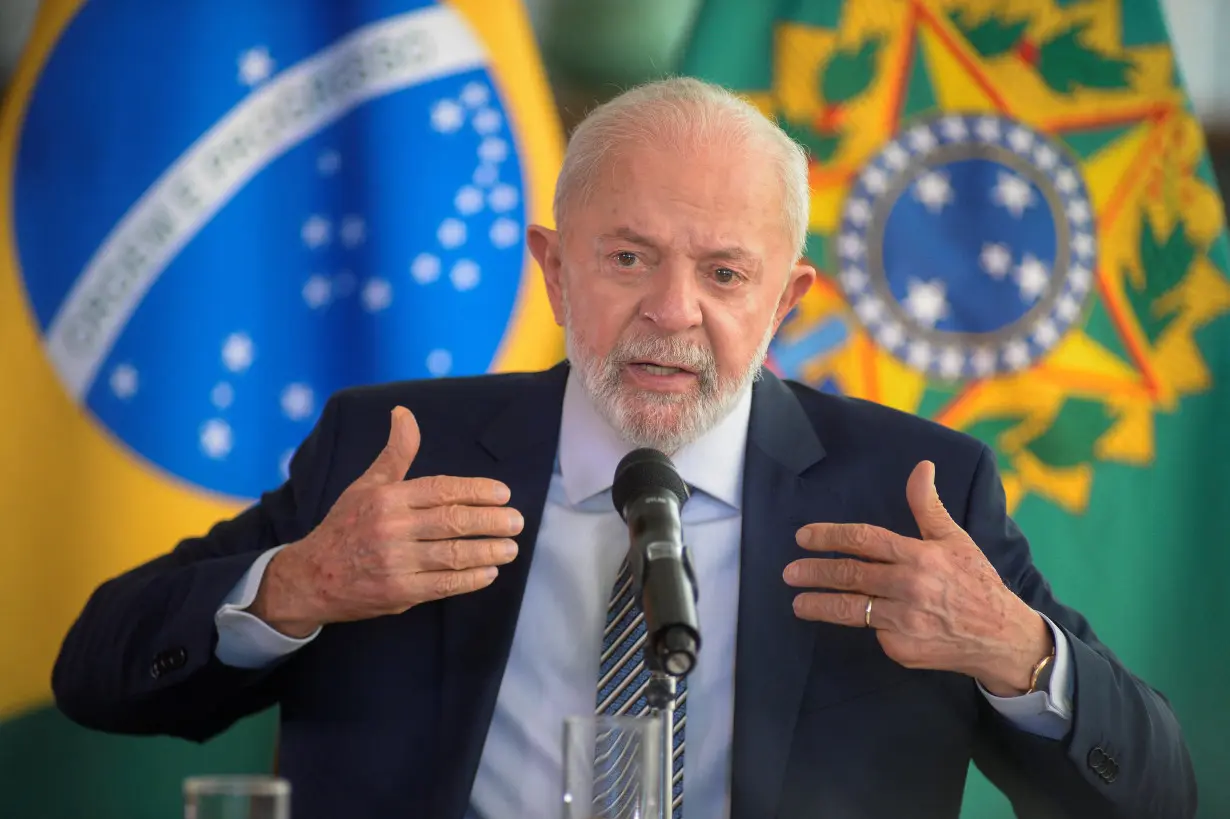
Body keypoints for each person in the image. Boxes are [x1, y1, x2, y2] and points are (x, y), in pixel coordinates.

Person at [52, 77, 1195, 819]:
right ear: (553, 270)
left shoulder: (915, 494)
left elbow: (1156, 794)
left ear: (787, 301)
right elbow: (97, 673)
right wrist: (297, 586)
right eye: (628, 259)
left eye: (725, 273)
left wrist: (1010, 649)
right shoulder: (394, 450)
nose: (672, 312)